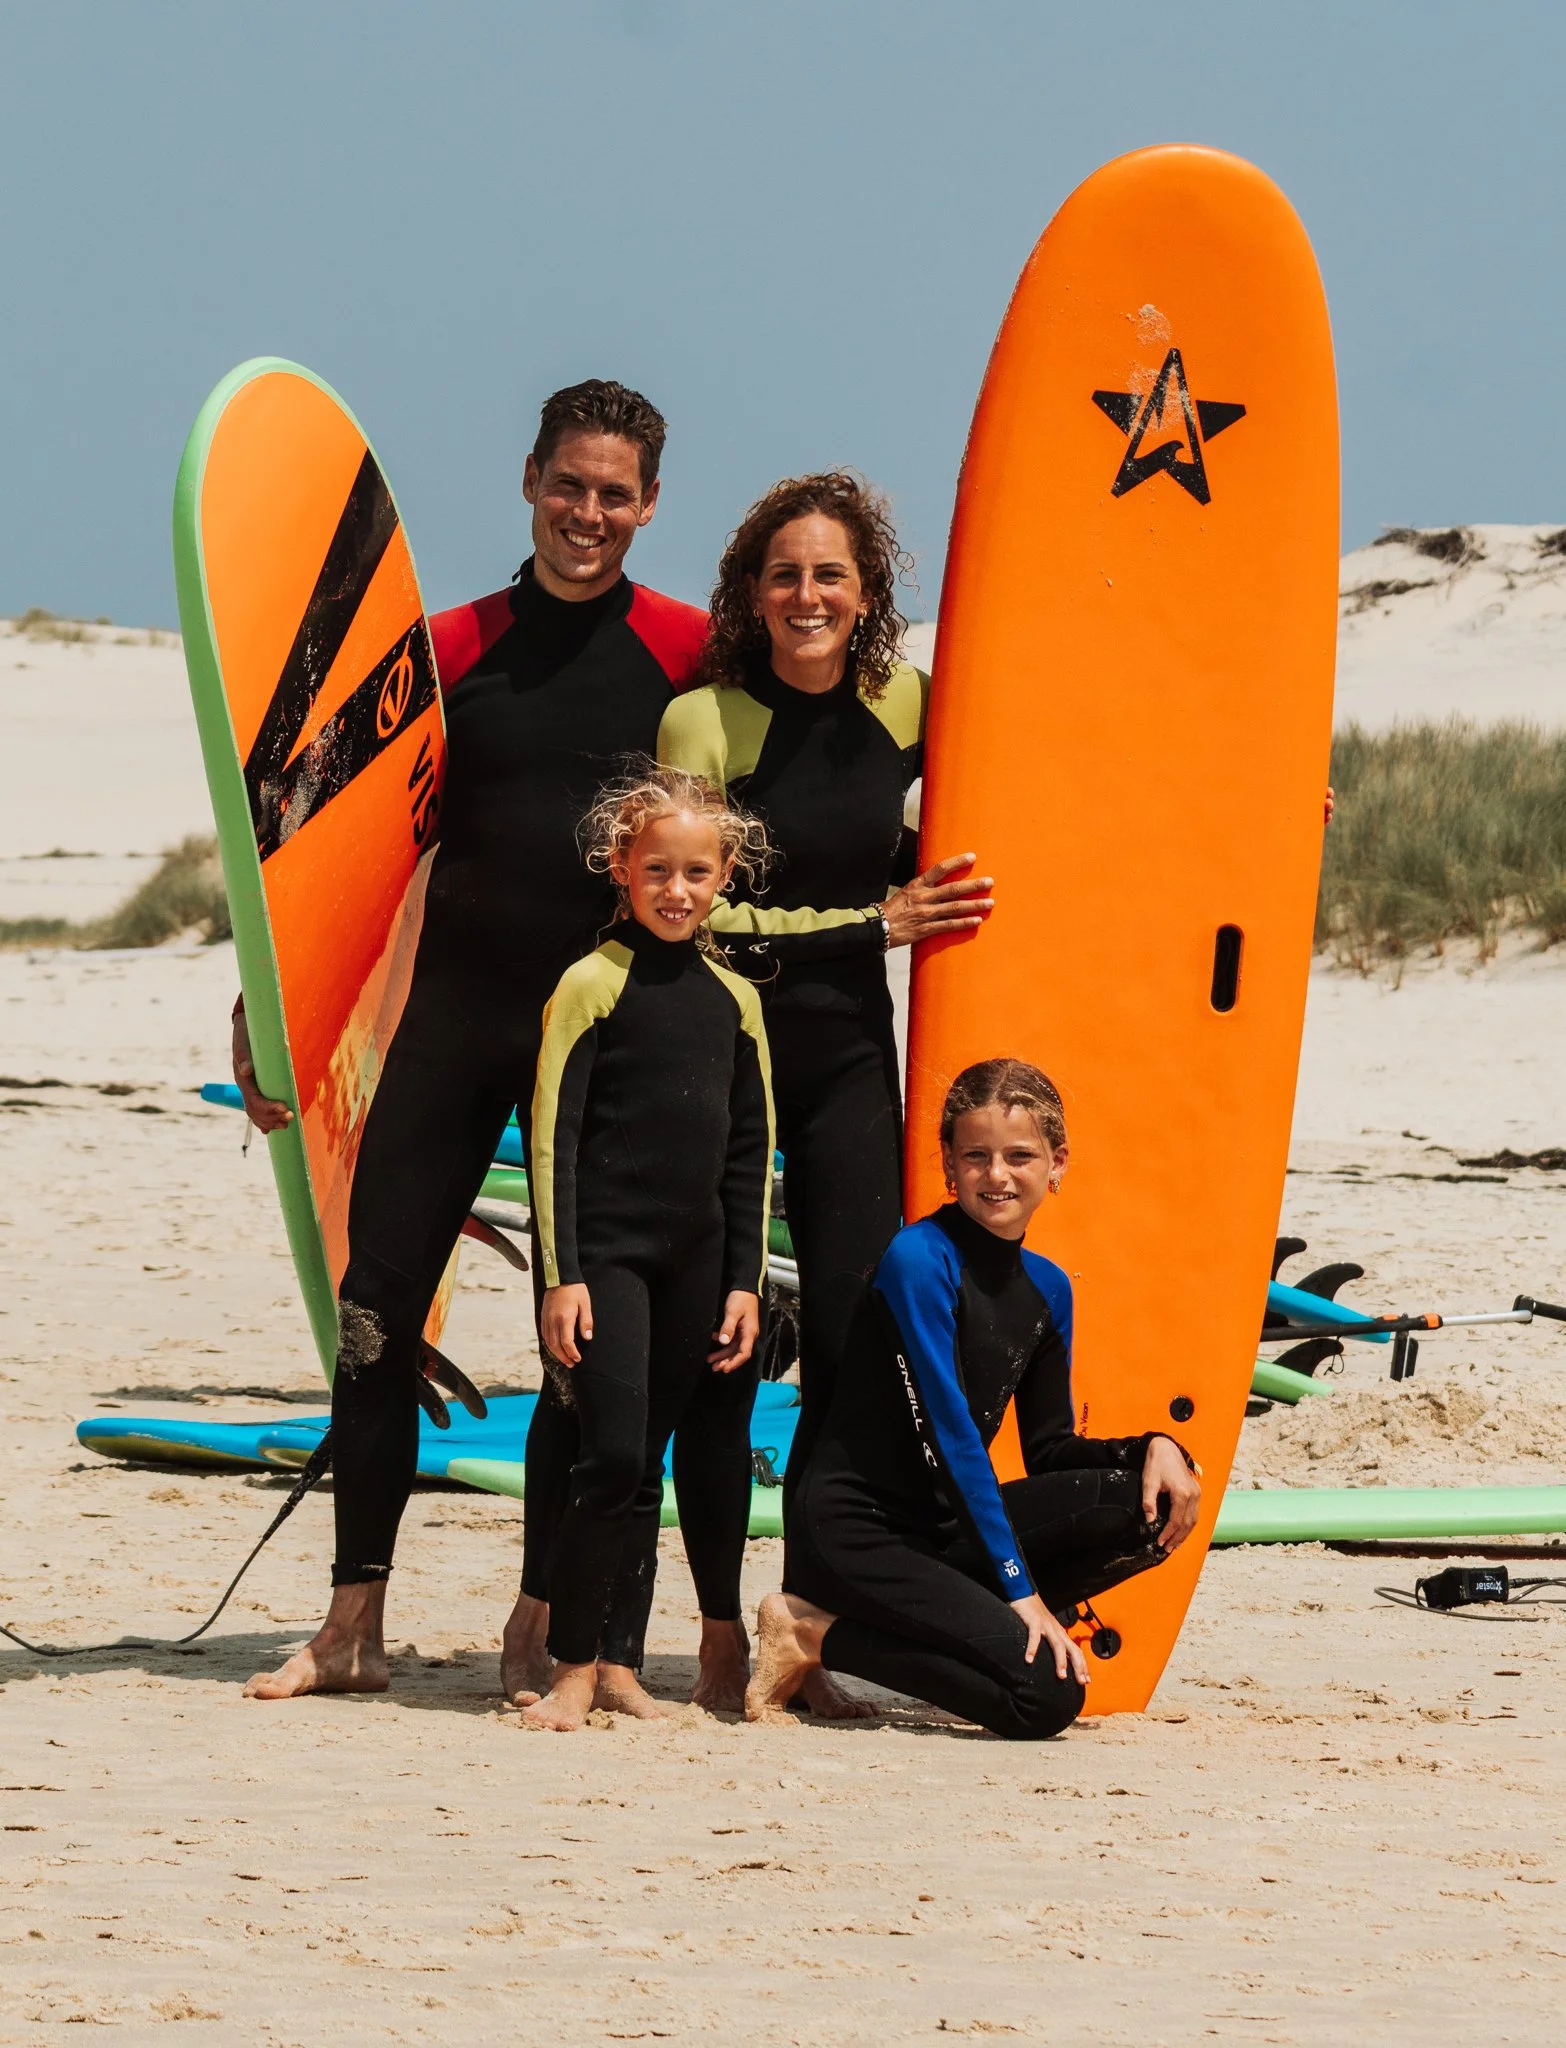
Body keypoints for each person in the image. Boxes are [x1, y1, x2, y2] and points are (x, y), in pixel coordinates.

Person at [236, 379, 711, 1703]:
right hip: (452, 1022)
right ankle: (352, 1623)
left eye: (614, 494)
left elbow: (769, 795)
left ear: (649, 505)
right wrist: (269, 1004)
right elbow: (329, 839)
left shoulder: (684, 653)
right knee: (373, 1318)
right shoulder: (446, 649)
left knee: (581, 1342)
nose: (587, 513)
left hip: (599, 1048)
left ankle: (538, 1620)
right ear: (529, 481)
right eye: (569, 485)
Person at [654, 473, 992, 1712]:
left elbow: (1056, 775)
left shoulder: (909, 701)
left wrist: (1253, 798)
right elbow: (696, 912)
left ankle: (801, 1620)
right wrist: (873, 922)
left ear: (868, 591)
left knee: (851, 1346)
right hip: (724, 1051)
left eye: (831, 574)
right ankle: (713, 1631)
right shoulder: (704, 719)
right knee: (719, 1343)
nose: (808, 595)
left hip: (850, 1052)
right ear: (752, 591)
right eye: (785, 573)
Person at [744, 1057, 1202, 1739]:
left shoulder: (1049, 1288)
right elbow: (952, 1435)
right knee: (1045, 1700)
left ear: (1057, 1163)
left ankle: (977, 1633)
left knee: (1142, 1503)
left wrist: (1155, 1447)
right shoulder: (919, 1259)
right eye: (976, 1156)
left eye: (1020, 1156)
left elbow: (1049, 1449)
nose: (997, 1175)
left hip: (943, 1530)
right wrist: (1020, 1590)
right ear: (949, 1163)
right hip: (859, 1533)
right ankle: (812, 1633)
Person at [521, 765, 773, 1731]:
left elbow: (750, 1154)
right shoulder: (590, 985)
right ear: (620, 866)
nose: (677, 889)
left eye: (697, 872)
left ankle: (621, 1667)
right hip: (607, 1262)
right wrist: (563, 1276)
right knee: (613, 1457)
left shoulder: (735, 1000)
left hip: (698, 1266)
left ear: (725, 878)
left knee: (648, 1465)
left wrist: (745, 1284)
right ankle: (571, 1669)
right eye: (657, 869)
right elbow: (553, 1140)